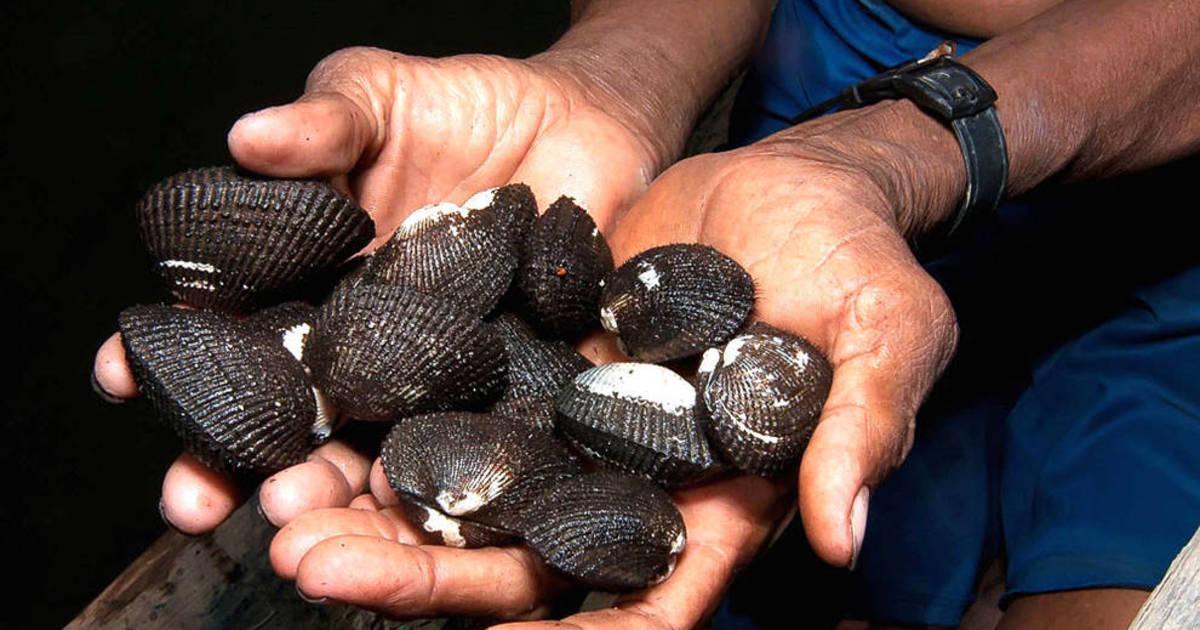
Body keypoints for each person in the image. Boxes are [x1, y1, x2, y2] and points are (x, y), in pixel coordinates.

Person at [92, 0, 1200, 626]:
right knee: (834, 568)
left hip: (1166, 223)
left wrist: (909, 146)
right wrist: (617, 83)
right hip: (818, 111)